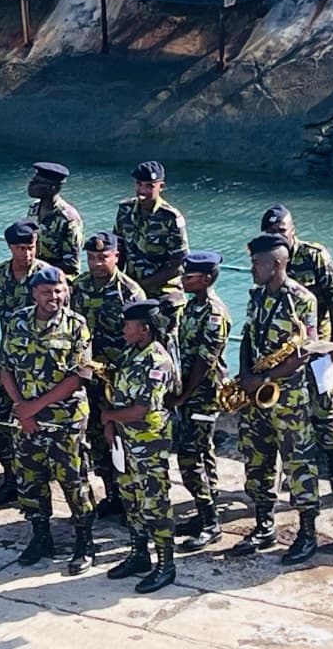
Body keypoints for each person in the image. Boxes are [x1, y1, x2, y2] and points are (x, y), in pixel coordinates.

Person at [228, 233, 322, 566]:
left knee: (299, 464)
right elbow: (247, 337)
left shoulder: (302, 300)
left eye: (258, 263)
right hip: (256, 396)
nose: (252, 268)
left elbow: (303, 353)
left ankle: (307, 534)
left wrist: (265, 379)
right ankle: (263, 525)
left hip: (288, 398)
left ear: (278, 263)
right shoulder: (256, 297)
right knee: (257, 462)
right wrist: (245, 375)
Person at [0, 266, 97, 574]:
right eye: (46, 292)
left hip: (65, 421)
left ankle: (84, 542)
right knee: (30, 480)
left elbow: (79, 377)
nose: (53, 297)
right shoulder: (17, 322)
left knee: (73, 481)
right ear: (34, 294)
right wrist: (21, 407)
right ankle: (41, 536)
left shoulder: (76, 325)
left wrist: (34, 407)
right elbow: (5, 368)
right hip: (27, 421)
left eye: (58, 291)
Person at [262, 204, 333, 501]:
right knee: (289, 414)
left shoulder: (314, 256)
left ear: (293, 230)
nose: (277, 236)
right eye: (270, 232)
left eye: (281, 231)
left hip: (317, 346)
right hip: (283, 350)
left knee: (325, 410)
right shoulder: (266, 260)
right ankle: (295, 476)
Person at [100, 299, 178, 594]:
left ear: (144, 329)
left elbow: (140, 410)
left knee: (154, 503)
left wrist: (109, 417)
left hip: (149, 444)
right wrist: (110, 426)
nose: (123, 329)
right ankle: (139, 554)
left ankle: (166, 565)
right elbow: (117, 395)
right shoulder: (130, 353)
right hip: (126, 441)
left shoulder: (156, 362)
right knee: (131, 499)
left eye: (128, 325)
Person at [70, 230, 146, 517]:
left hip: (120, 380)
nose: (97, 263)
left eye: (103, 257)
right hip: (89, 378)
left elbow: (141, 342)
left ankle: (131, 501)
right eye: (91, 258)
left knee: (124, 439)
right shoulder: (78, 287)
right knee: (97, 437)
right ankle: (112, 494)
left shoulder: (130, 292)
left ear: (116, 256)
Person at [0, 219, 51, 509]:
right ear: (10, 247)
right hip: (9, 360)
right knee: (3, 421)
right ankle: (10, 480)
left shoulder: (49, 277)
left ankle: (39, 484)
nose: (27, 253)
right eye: (21, 248)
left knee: (42, 426)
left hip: (39, 365)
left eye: (31, 247)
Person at [167, 250, 231, 550]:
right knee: (203, 454)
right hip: (191, 393)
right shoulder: (192, 307)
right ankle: (205, 513)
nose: (183, 280)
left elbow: (206, 361)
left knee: (190, 458)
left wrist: (183, 395)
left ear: (206, 279)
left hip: (203, 395)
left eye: (188, 276)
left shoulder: (215, 313)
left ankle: (210, 523)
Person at [113, 160, 189, 300]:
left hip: (164, 291)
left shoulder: (171, 218)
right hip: (131, 288)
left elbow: (178, 264)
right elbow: (119, 248)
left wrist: (141, 286)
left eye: (149, 186)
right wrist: (118, 282)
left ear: (161, 187)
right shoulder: (125, 210)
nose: (142, 191)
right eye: (139, 184)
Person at [26, 162, 85, 279]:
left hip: (57, 279)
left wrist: (39, 270)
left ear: (51, 188)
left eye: (36, 182)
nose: (30, 184)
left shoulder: (68, 219)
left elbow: (71, 264)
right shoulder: (34, 208)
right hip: (34, 276)